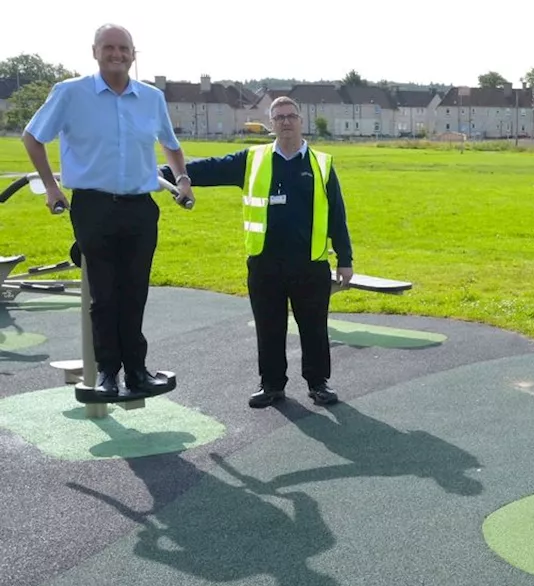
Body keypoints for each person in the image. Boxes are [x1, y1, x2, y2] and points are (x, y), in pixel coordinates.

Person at [21, 24, 194, 396]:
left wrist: (182, 179)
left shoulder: (151, 98)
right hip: (94, 206)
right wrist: (51, 187)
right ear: (95, 52)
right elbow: (33, 137)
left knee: (134, 292)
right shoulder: (70, 93)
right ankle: (107, 375)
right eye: (109, 48)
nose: (117, 54)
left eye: (124, 48)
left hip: (140, 208)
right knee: (104, 295)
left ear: (134, 54)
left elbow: (171, 145)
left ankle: (137, 372)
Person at [159, 96, 353, 408]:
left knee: (314, 328)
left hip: (310, 263)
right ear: (271, 124)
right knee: (269, 326)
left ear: (301, 120)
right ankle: (272, 385)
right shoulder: (253, 160)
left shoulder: (321, 164)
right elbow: (209, 170)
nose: (286, 122)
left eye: (291, 116)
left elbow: (337, 216)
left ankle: (319, 384)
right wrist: (166, 174)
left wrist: (345, 259)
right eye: (279, 117)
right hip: (265, 263)